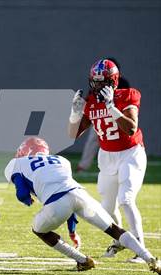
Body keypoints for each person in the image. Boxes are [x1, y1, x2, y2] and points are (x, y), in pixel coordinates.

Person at [4, 137, 160, 274]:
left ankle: (82, 260)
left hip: (57, 203)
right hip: (80, 195)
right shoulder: (61, 160)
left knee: (38, 229)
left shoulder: (17, 163)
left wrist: (26, 200)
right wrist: (72, 232)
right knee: (114, 229)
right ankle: (150, 258)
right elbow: (68, 198)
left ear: (24, 151)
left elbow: (22, 192)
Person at [68, 58, 147, 263]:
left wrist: (112, 107)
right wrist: (74, 114)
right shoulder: (92, 102)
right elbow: (72, 134)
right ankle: (120, 239)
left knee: (126, 200)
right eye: (94, 81)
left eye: (101, 81)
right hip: (107, 155)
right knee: (107, 207)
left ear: (112, 81)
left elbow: (131, 128)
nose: (96, 86)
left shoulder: (127, 95)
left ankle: (140, 248)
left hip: (130, 153)